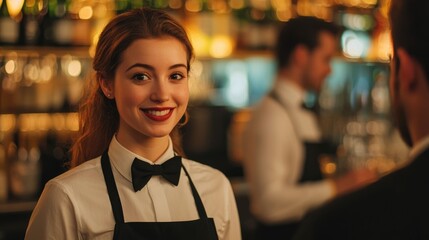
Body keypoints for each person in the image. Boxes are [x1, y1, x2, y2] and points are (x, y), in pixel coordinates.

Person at [25, 8, 241, 240]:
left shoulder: (217, 188)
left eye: (175, 76)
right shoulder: (66, 197)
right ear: (107, 84)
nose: (161, 94)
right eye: (141, 76)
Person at [292, 0, 429, 239]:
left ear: (405, 70)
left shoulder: (337, 226)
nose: (330, 70)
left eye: (391, 63)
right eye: (326, 59)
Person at [242, 16, 377, 240]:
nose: (329, 70)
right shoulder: (272, 117)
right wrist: (338, 187)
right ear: (301, 56)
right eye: (325, 59)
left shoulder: (299, 108)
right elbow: (268, 203)